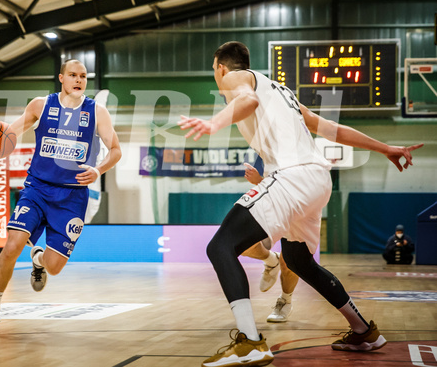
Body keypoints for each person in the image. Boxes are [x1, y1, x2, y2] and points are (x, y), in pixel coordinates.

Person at [178, 42, 422, 367]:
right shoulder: (282, 92)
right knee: (299, 259)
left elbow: (246, 100)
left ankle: (250, 341)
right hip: (318, 180)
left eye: (214, 70)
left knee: (221, 246)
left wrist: (214, 124)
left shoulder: (238, 78)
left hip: (292, 177)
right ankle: (363, 331)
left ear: (220, 67)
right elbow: (331, 128)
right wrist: (384, 148)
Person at [0, 59, 122, 335]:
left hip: (72, 195)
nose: (78, 80)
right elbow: (9, 133)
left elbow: (115, 149)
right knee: (11, 246)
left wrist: (98, 169)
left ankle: (38, 260)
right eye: (72, 75)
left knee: (54, 268)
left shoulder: (97, 112)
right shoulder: (41, 105)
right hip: (37, 188)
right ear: (61, 78)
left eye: (83, 76)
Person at [241, 163, 299, 323]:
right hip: (271, 206)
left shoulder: (304, 158)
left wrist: (259, 180)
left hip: (300, 210)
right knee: (242, 244)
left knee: (290, 262)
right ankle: (271, 260)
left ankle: (285, 300)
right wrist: (260, 181)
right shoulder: (271, 151)